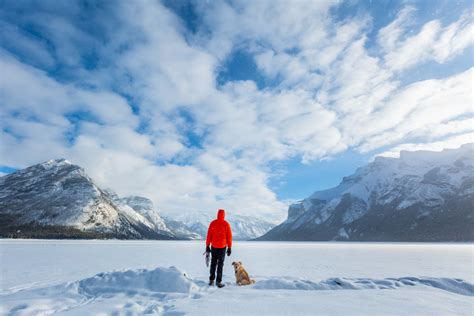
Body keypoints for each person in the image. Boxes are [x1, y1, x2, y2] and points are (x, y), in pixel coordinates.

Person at [205, 209, 232, 288]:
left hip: (214, 247)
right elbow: (229, 237)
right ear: (224, 215)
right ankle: (218, 282)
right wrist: (229, 247)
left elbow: (209, 235)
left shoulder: (213, 223)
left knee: (213, 263)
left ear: (217, 214)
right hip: (222, 247)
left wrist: (207, 245)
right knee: (220, 265)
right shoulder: (226, 224)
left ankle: (211, 280)